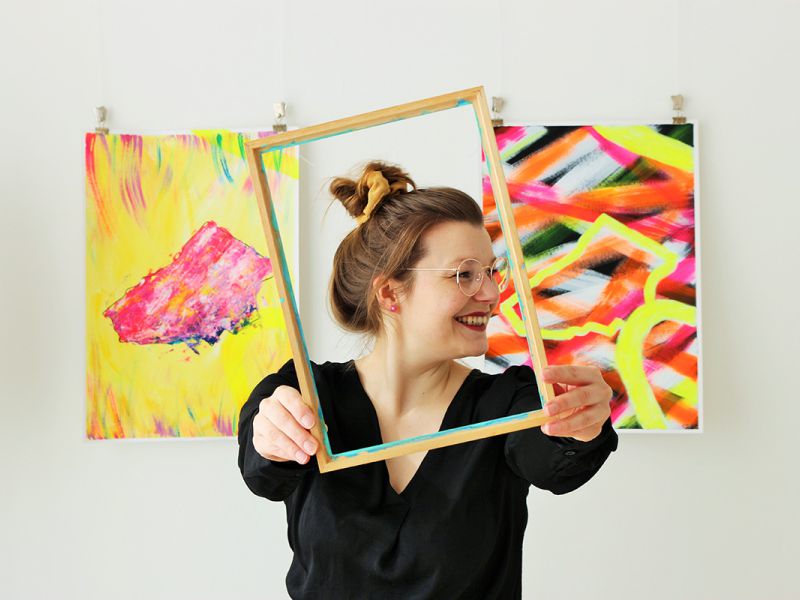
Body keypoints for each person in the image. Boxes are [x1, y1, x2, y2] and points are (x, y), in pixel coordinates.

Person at [237, 161, 618, 599]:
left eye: (491, 272)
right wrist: (271, 435)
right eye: (465, 274)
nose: (491, 294)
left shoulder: (508, 403)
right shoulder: (306, 392)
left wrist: (580, 426)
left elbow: (553, 459)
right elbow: (263, 471)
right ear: (390, 293)